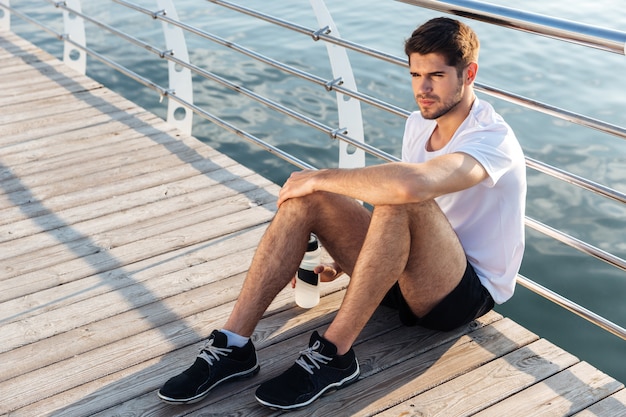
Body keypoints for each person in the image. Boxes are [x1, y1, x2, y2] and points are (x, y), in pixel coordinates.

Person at [157, 17, 526, 410]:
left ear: (469, 73)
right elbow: (395, 211)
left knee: (398, 193)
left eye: (436, 75)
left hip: (459, 293)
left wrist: (320, 177)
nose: (423, 88)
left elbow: (410, 189)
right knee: (308, 200)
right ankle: (234, 345)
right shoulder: (419, 123)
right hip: (405, 276)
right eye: (416, 74)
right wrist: (358, 257)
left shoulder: (492, 138)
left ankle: (334, 355)